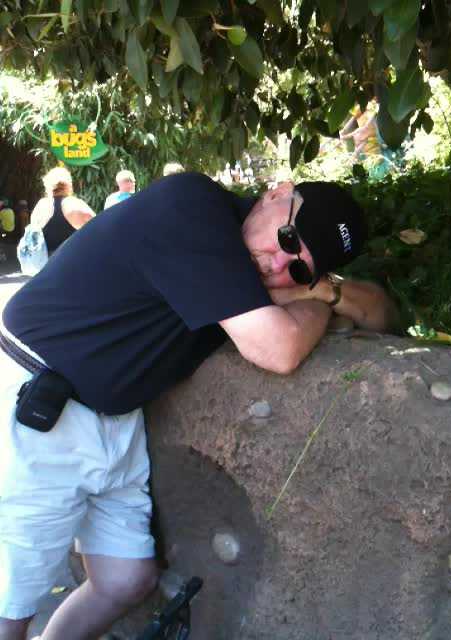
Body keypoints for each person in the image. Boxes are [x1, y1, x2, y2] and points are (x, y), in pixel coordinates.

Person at [0, 173, 397, 640]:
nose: (277, 264)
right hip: (37, 401)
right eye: (287, 238)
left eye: (298, 269)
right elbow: (279, 349)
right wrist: (316, 297)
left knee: (126, 580)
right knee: (11, 607)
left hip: (115, 417)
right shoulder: (192, 210)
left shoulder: (248, 262)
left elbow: (382, 315)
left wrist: (322, 290)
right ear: (277, 193)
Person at [30, 167, 94, 255]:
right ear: (69, 185)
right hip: (71, 257)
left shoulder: (41, 205)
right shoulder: (74, 204)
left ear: (47, 186)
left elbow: (33, 233)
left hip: (46, 259)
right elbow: (96, 225)